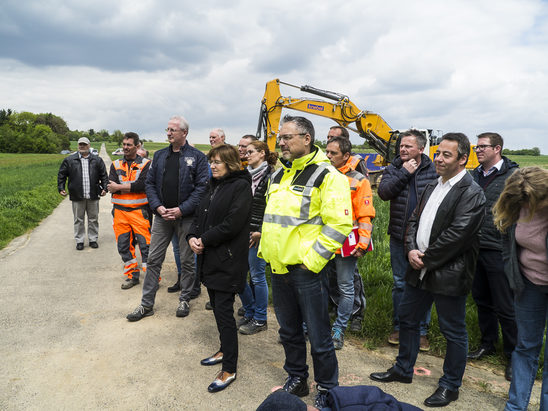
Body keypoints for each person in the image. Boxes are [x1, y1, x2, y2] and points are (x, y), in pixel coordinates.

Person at [370, 133, 486, 408]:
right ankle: (403, 369)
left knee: (453, 330)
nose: (439, 159)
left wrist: (426, 258)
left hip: (448, 272)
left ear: (462, 159)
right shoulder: (433, 184)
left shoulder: (471, 192)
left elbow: (459, 235)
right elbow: (413, 219)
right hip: (418, 266)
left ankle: (450, 386)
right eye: (437, 154)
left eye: (446, 155)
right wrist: (410, 249)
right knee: (408, 318)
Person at [259, 115, 353, 408]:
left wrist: (311, 262)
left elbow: (339, 225)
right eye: (280, 138)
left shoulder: (328, 176)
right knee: (288, 331)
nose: (281, 143)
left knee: (319, 335)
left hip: (306, 272)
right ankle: (297, 378)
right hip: (278, 268)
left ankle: (327, 387)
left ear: (307, 139)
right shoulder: (278, 175)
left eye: (287, 138)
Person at [126, 115, 209, 321]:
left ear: (184, 133)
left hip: (186, 217)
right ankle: (146, 305)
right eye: (168, 130)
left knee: (188, 260)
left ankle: (185, 298)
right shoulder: (160, 155)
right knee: (153, 259)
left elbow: (202, 188)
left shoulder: (197, 157)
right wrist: (157, 206)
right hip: (162, 217)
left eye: (173, 130)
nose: (168, 133)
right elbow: (150, 184)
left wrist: (181, 209)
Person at [187, 144, 252, 393]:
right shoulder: (212, 185)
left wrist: (205, 239)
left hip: (227, 261)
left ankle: (230, 368)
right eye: (211, 161)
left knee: (225, 314)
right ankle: (224, 349)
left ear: (231, 163)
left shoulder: (241, 186)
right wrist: (192, 236)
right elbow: (199, 217)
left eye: (218, 162)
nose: (212, 165)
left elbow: (232, 224)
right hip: (210, 259)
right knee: (217, 310)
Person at [492, 167, 548, 411]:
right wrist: (513, 276)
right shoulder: (517, 204)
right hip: (528, 286)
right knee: (525, 347)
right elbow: (508, 246)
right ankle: (515, 406)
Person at [377, 129, 438, 350]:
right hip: (399, 236)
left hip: (425, 238)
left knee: (423, 284)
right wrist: (404, 173)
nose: (403, 149)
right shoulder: (394, 168)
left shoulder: (433, 170)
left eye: (408, 146)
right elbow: (383, 193)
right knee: (400, 283)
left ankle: (421, 331)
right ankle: (400, 327)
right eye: (401, 146)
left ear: (421, 149)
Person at [468, 132, 518, 381]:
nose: (477, 150)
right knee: (482, 300)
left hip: (499, 248)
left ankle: (513, 355)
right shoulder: (474, 175)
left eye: (482, 147)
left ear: (497, 148)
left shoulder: (512, 176)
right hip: (475, 248)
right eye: (476, 147)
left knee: (505, 305)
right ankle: (487, 343)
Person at [325, 136, 375, 349]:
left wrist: (362, 244)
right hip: (323, 242)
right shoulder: (324, 174)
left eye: (333, 153)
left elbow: (365, 215)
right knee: (320, 286)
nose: (328, 156)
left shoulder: (359, 180)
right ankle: (312, 325)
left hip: (347, 244)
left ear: (346, 155)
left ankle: (339, 329)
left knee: (346, 287)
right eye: (326, 152)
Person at [237, 140, 278, 335]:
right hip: (243, 231)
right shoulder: (246, 175)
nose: (247, 154)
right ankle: (250, 311)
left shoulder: (271, 176)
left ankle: (260, 319)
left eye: (251, 151)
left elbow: (274, 207)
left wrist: (262, 231)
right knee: (238, 274)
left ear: (262, 154)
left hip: (257, 234)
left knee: (257, 275)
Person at [107, 132, 151, 289]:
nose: (125, 147)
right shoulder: (115, 164)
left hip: (139, 211)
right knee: (124, 246)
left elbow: (143, 185)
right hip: (119, 212)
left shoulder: (146, 164)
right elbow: (110, 186)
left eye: (129, 145)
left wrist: (119, 187)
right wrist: (122, 188)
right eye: (124, 144)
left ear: (137, 146)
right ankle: (132, 276)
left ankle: (152, 279)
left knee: (146, 246)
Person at [57, 136, 108, 250]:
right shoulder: (69, 160)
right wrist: (61, 187)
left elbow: (104, 175)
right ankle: (79, 240)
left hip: (93, 194)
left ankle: (93, 239)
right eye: (80, 144)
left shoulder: (97, 160)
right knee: (78, 219)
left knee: (93, 218)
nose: (82, 146)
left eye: (84, 144)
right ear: (78, 146)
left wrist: (105, 187)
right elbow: (62, 175)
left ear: (89, 146)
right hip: (77, 195)